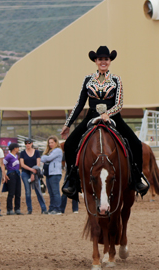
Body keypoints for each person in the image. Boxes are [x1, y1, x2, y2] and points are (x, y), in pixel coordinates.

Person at [61, 46, 149, 198]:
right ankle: (72, 180)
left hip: (113, 117)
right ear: (95, 61)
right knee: (69, 145)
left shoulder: (116, 79)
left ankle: (137, 177)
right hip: (91, 116)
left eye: (106, 59)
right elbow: (80, 103)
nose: (103, 62)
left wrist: (108, 114)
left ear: (110, 61)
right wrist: (67, 124)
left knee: (136, 144)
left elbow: (119, 103)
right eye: (100, 59)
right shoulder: (88, 79)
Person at [20, 138, 47, 215]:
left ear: (32, 143)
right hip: (25, 173)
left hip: (35, 172)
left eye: (29, 143)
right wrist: (31, 170)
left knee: (38, 190)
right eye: (26, 143)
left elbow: (38, 164)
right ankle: (29, 209)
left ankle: (44, 208)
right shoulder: (22, 153)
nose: (27, 145)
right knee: (27, 192)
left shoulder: (37, 152)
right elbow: (22, 164)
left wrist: (33, 173)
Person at [41, 136, 63, 215]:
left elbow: (49, 158)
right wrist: (45, 157)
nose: (50, 144)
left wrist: (44, 157)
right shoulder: (50, 151)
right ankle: (52, 208)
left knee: (55, 192)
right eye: (49, 143)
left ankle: (57, 209)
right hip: (49, 173)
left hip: (55, 173)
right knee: (51, 192)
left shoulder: (57, 150)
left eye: (52, 142)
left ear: (56, 143)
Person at [3, 143, 23, 215]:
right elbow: (3, 163)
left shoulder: (16, 156)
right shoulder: (9, 156)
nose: (18, 149)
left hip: (17, 174)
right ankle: (9, 209)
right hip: (11, 174)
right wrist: (5, 173)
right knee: (11, 192)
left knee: (18, 192)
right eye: (17, 147)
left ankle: (17, 208)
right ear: (14, 148)